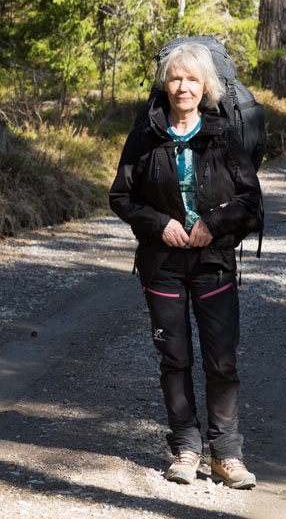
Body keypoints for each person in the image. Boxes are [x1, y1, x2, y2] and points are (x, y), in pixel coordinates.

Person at [108, 42, 263, 489]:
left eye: (193, 79)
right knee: (174, 359)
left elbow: (251, 201)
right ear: (165, 84)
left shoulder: (224, 134)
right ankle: (185, 449)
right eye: (176, 79)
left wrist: (212, 225)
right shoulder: (145, 136)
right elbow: (121, 197)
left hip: (212, 262)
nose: (183, 87)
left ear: (206, 86)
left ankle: (227, 456)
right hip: (162, 264)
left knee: (221, 360)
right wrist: (160, 225)